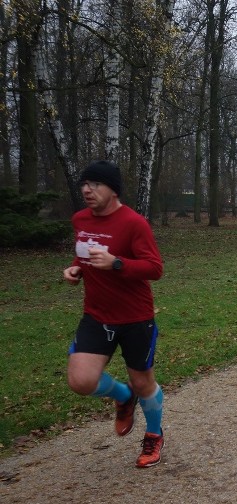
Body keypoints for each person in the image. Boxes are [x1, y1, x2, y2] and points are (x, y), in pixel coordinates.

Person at [62, 160, 166, 468]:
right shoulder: (80, 219)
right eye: (84, 184)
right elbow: (84, 253)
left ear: (113, 190)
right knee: (80, 380)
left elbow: (155, 268)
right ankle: (123, 395)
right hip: (96, 314)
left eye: (94, 185)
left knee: (144, 381)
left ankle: (153, 434)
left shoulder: (134, 223)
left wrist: (117, 263)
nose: (86, 190)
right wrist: (75, 269)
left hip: (135, 317)